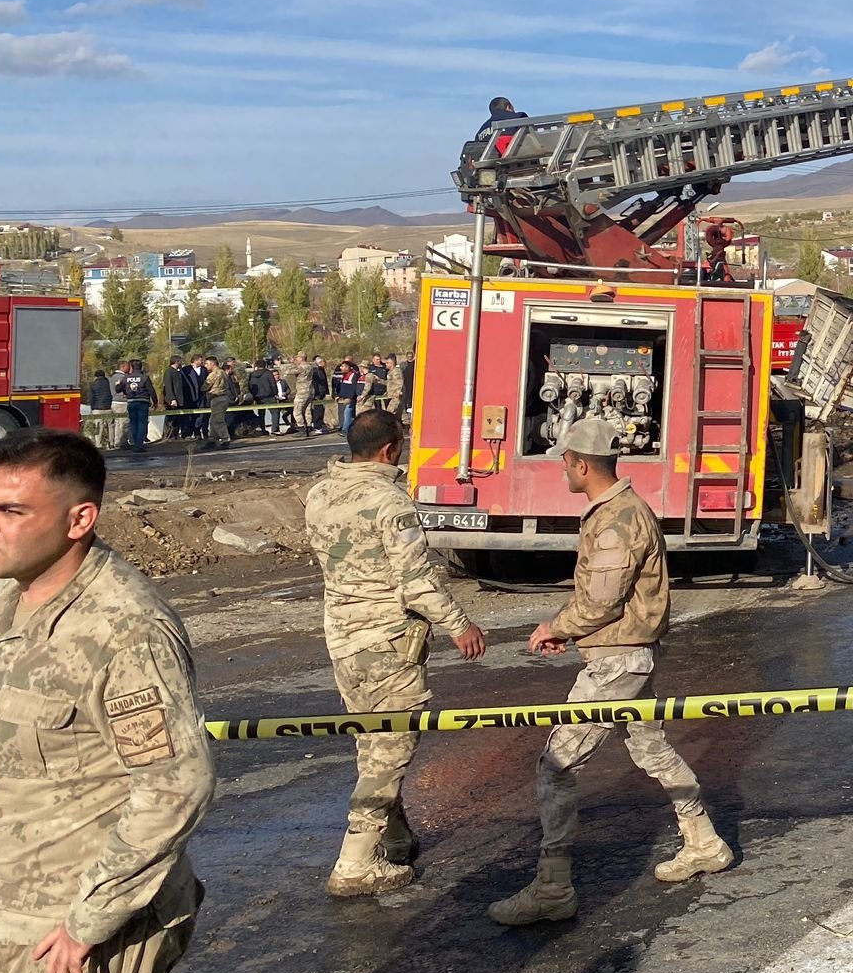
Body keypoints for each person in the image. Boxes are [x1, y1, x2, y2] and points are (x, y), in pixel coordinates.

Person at [0, 430, 215, 973]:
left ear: (78, 519)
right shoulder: (6, 603)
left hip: (72, 933)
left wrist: (90, 920)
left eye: (11, 512)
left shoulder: (125, 631)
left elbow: (175, 788)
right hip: (3, 910)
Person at [489, 419, 733, 925]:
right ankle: (704, 841)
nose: (562, 470)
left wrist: (556, 625)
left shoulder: (617, 519)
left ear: (580, 464)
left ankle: (553, 887)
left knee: (556, 765)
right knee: (650, 746)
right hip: (628, 654)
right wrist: (574, 632)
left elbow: (601, 598)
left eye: (564, 462)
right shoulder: (618, 511)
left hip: (619, 660)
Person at [305, 408, 487, 896]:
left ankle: (395, 838)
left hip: (343, 641)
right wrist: (460, 624)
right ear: (391, 449)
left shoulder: (319, 493)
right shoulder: (390, 503)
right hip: (388, 643)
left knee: (371, 743)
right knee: (390, 750)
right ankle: (354, 863)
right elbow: (415, 582)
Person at [118, 360, 156, 451]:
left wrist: (119, 385)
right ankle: (139, 444)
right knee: (142, 423)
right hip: (143, 402)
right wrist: (155, 402)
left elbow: (118, 389)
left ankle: (135, 443)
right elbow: (151, 391)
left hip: (131, 402)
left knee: (133, 423)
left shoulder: (126, 378)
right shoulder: (144, 377)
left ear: (131, 367)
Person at [82, 368, 113, 445]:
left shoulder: (93, 385)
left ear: (96, 376)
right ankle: (112, 443)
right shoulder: (108, 383)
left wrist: (92, 408)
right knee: (111, 427)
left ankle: (98, 444)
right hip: (108, 407)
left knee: (99, 427)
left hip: (97, 408)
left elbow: (91, 397)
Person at [288, 354, 317, 437]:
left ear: (301, 358)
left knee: (297, 410)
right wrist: (295, 363)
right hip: (310, 390)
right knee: (307, 410)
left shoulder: (301, 368)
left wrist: (290, 363)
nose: (296, 359)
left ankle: (301, 428)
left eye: (297, 358)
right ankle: (309, 428)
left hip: (302, 391)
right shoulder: (310, 366)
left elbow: (290, 371)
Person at [383, 352, 408, 421]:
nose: (386, 364)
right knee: (402, 415)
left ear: (392, 363)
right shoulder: (390, 372)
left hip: (396, 397)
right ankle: (406, 428)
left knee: (389, 414)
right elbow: (389, 383)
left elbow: (400, 382)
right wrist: (378, 380)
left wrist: (398, 392)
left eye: (387, 362)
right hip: (391, 395)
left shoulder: (396, 371)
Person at [309, 357, 331, 432]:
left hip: (322, 393)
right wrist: (317, 393)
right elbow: (316, 383)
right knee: (318, 409)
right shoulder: (315, 371)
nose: (324, 363)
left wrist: (325, 391)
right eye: (322, 361)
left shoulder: (321, 370)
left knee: (321, 409)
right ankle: (317, 427)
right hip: (317, 393)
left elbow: (324, 382)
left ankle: (319, 424)